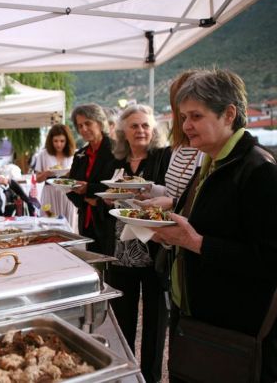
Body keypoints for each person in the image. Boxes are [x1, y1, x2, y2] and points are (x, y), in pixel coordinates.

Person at [151, 69, 277, 382]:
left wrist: (196, 243)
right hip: (199, 325)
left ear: (228, 114)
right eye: (182, 116)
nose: (185, 126)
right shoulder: (210, 161)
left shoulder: (260, 170)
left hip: (238, 334)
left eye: (195, 116)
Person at [104, 104, 170, 383]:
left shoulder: (163, 158)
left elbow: (174, 195)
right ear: (124, 132)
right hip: (121, 251)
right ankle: (126, 376)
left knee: (155, 324)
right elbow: (107, 194)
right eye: (134, 126)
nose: (141, 130)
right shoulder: (115, 161)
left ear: (153, 130)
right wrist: (108, 198)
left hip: (154, 247)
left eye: (145, 125)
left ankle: (151, 378)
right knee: (122, 320)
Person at [139, 70, 203, 211]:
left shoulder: (206, 150)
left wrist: (173, 202)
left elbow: (204, 203)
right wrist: (145, 188)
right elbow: (170, 192)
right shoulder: (179, 148)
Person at [66, 103, 116, 256]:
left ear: (100, 123)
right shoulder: (80, 154)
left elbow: (118, 186)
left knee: (111, 267)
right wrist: (86, 199)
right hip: (86, 220)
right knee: (94, 264)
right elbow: (71, 186)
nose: (83, 129)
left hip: (108, 220)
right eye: (80, 126)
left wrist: (89, 189)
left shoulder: (116, 150)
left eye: (88, 123)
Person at [34, 124, 78, 230]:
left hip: (68, 193)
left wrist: (69, 173)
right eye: (56, 141)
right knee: (49, 226)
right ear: (51, 141)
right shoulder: (44, 154)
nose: (59, 144)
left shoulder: (74, 154)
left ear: (67, 141)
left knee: (69, 226)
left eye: (62, 141)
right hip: (50, 192)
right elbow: (37, 179)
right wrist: (47, 173)